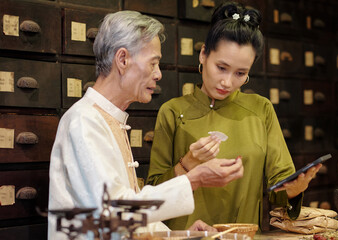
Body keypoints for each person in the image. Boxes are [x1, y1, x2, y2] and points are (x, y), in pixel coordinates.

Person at [48, 10, 244, 240]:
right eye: (153, 64)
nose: (159, 74)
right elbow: (114, 213)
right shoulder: (84, 122)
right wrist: (193, 180)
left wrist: (181, 234)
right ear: (122, 60)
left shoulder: (107, 118)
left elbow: (127, 218)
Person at [146, 1, 322, 231]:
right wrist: (188, 163)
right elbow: (154, 194)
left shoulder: (261, 109)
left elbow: (279, 191)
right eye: (221, 67)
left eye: (240, 73)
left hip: (242, 236)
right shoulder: (172, 112)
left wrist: (295, 189)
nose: (227, 82)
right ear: (203, 55)